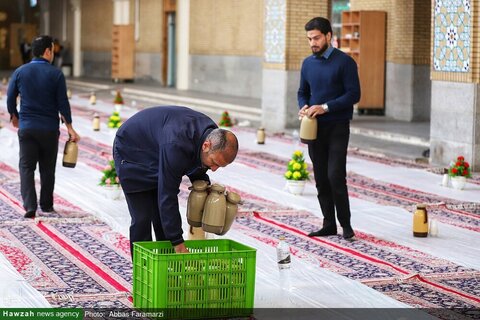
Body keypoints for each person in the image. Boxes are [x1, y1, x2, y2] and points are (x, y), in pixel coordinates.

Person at [113, 106, 239, 255]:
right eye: (214, 163)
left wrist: (205, 186)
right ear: (206, 146)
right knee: (142, 218)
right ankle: (144, 270)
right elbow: (167, 195)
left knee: (161, 218)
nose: (213, 169)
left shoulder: (212, 135)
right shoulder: (177, 143)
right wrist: (178, 242)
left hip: (158, 147)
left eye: (220, 166)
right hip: (132, 152)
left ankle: (166, 266)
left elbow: (196, 160)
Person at [297, 17, 361, 240]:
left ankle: (346, 225)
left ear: (328, 36)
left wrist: (325, 107)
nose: (312, 43)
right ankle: (328, 224)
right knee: (321, 177)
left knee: (335, 175)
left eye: (316, 38)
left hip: (337, 127)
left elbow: (354, 95)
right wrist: (303, 107)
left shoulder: (345, 62)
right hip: (314, 129)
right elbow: (302, 92)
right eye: (309, 39)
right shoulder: (307, 63)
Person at [7, 35, 80, 218]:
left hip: (27, 128)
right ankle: (46, 205)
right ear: (48, 51)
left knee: (26, 167)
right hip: (49, 129)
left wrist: (14, 116)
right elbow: (63, 103)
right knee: (47, 169)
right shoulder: (56, 74)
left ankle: (30, 206)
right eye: (53, 50)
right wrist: (70, 127)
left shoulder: (20, 72)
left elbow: (9, 98)